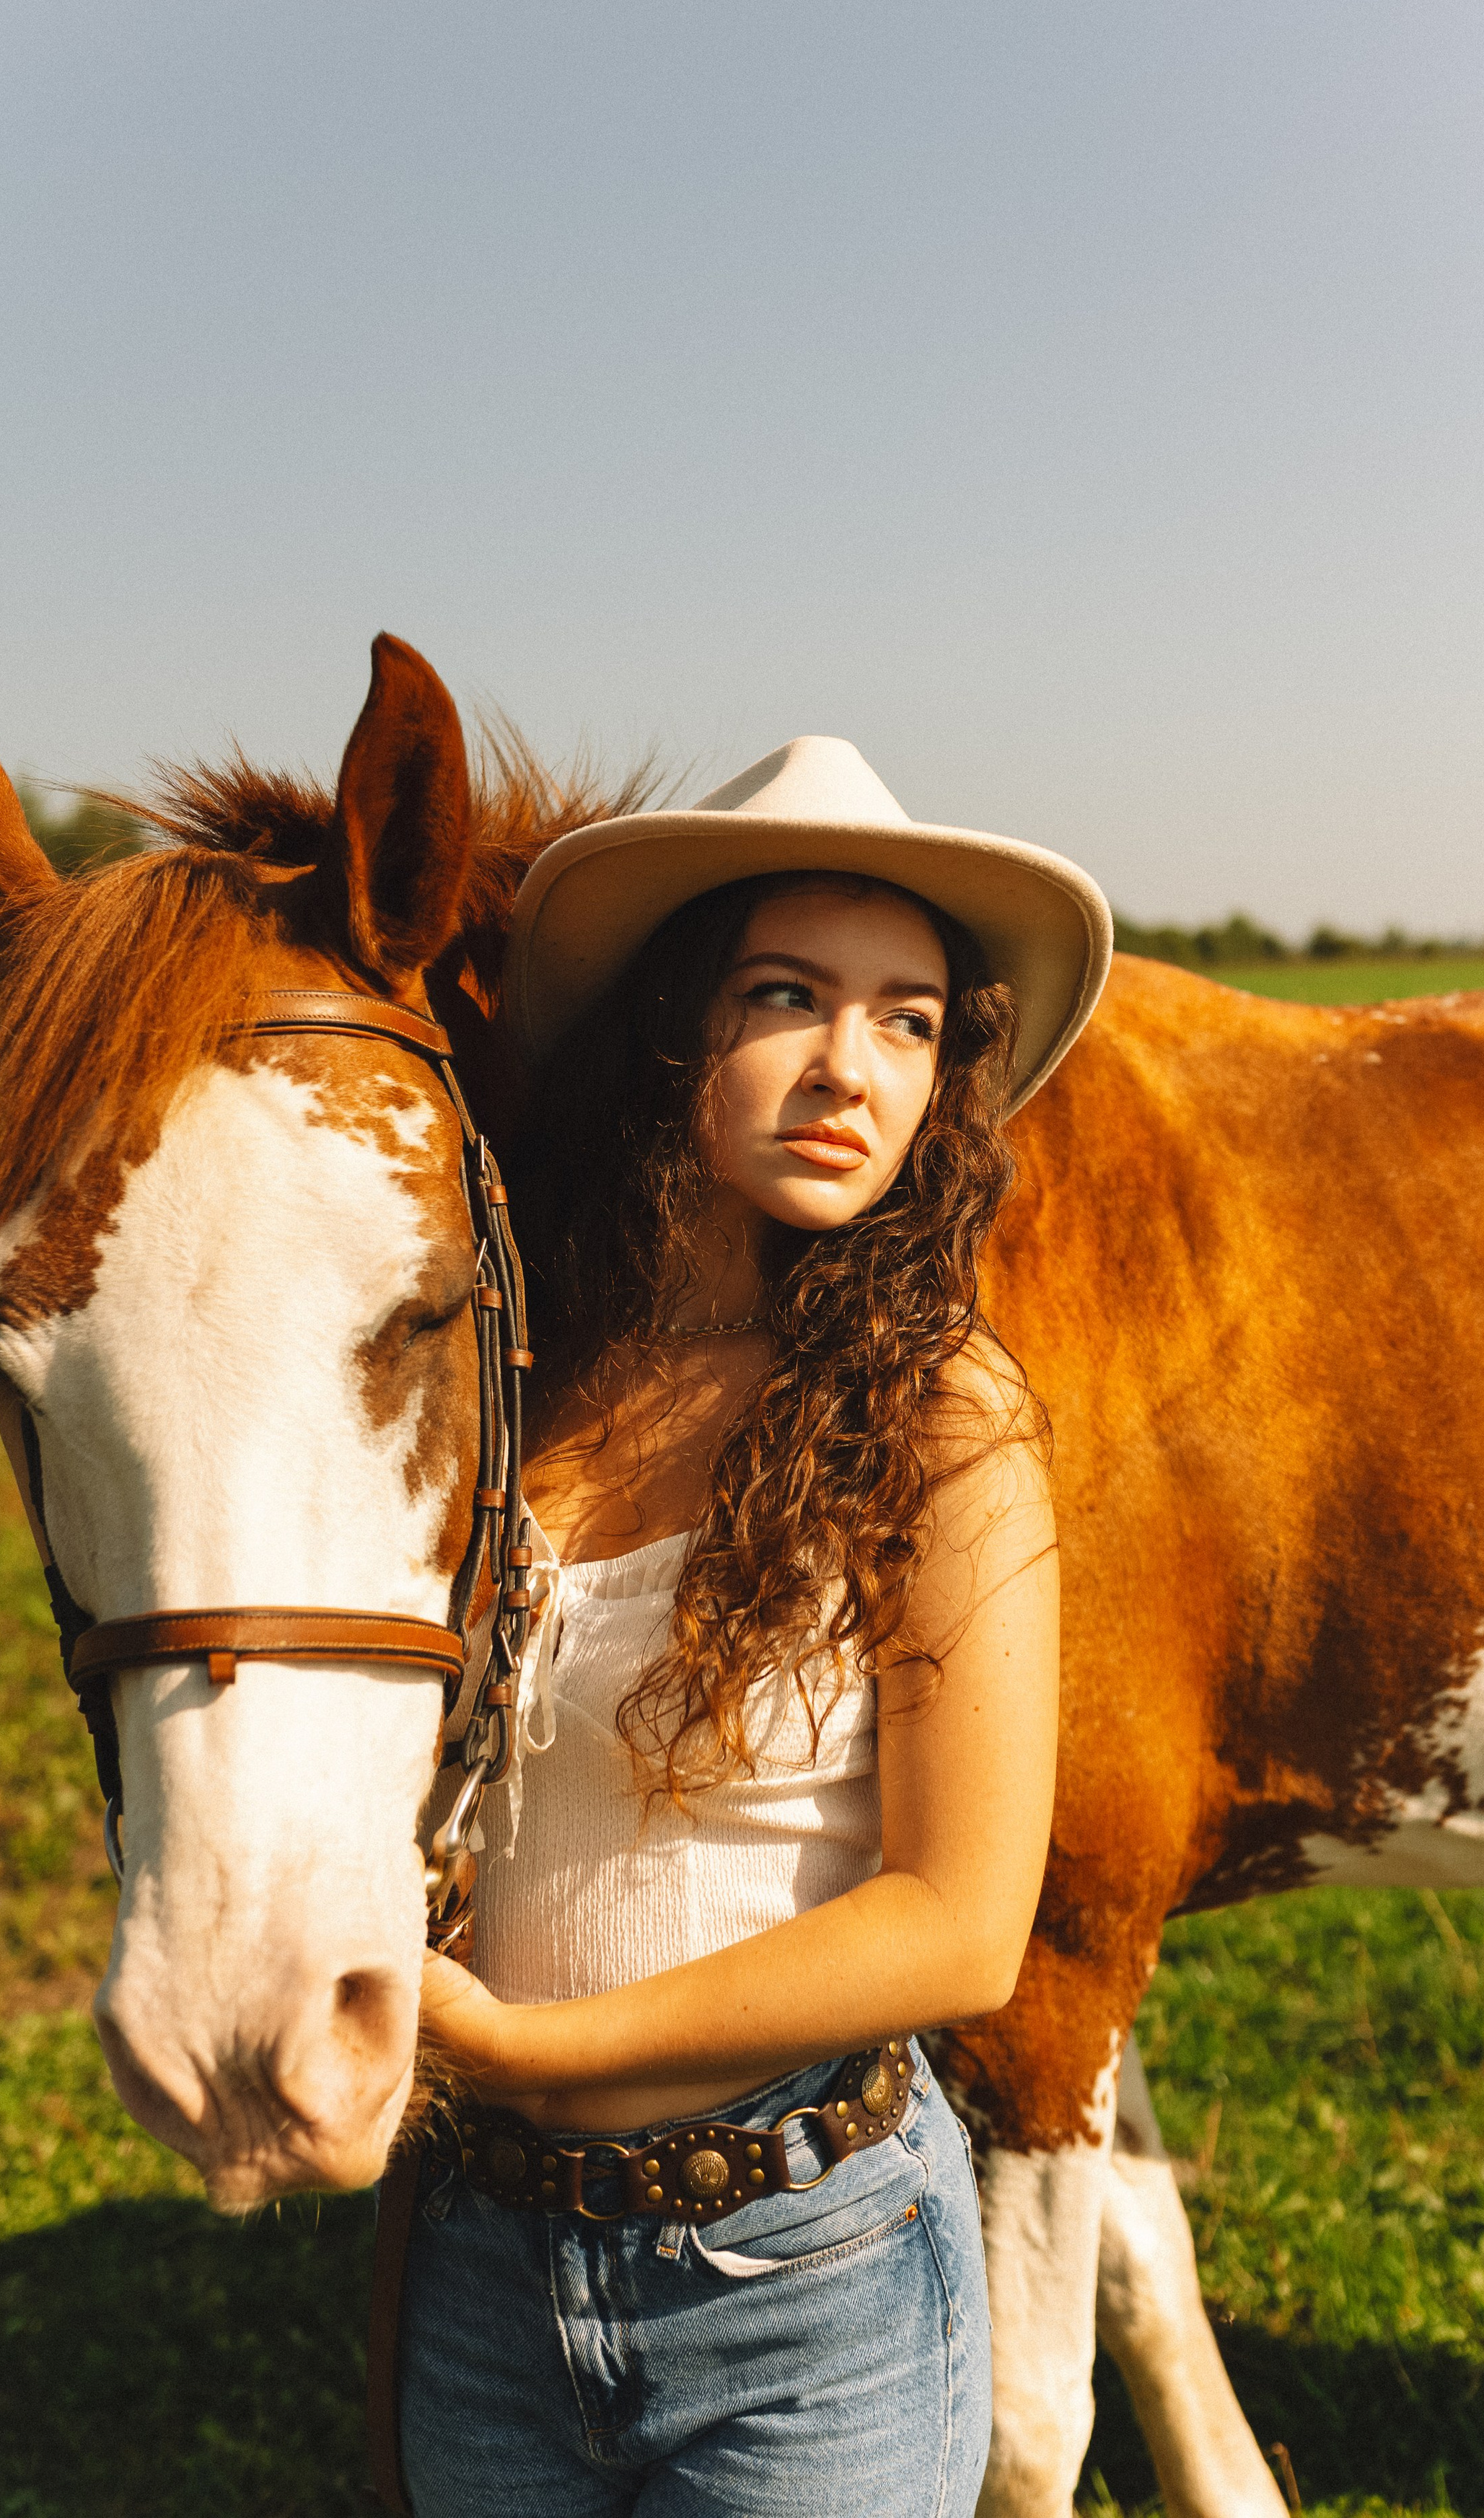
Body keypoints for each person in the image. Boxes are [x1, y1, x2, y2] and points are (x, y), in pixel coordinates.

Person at [394, 734, 1110, 2516]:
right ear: (667, 1028)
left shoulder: (935, 1411)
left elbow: (959, 1930)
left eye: (908, 1022)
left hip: (806, 2278)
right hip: (484, 2267)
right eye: (786, 997)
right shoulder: (519, 1372)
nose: (849, 1068)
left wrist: (522, 2048)